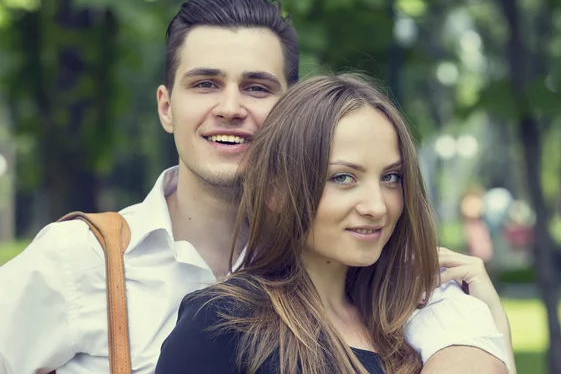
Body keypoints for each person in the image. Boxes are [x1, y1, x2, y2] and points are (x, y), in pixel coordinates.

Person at [0, 0, 513, 374]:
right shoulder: (82, 261)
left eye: (257, 87)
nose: (230, 108)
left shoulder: (357, 269)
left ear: (292, 110)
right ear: (165, 106)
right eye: (204, 84)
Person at [155, 74, 510, 374]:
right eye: (343, 178)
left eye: (391, 177)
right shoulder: (221, 324)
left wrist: (490, 324)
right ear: (276, 191)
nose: (376, 206)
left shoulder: (412, 323)